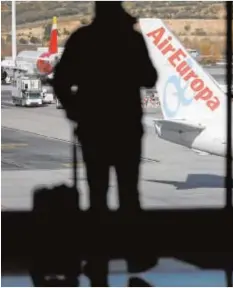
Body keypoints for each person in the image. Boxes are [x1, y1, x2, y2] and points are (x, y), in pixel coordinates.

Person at [51, 1, 158, 284]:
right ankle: (134, 254)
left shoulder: (83, 39)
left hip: (94, 128)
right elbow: (150, 78)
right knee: (129, 193)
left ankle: (97, 258)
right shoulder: (131, 40)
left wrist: (74, 109)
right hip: (125, 128)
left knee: (97, 194)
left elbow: (60, 81)